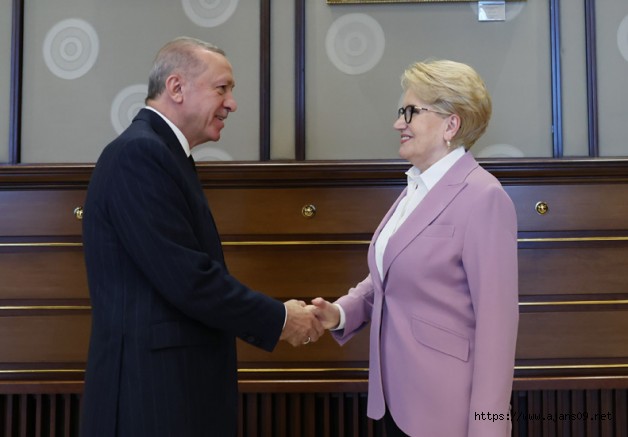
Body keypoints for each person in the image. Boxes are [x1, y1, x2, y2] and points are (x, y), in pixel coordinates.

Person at [79, 37, 323, 437]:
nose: (232, 104)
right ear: (176, 88)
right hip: (151, 397)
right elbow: (188, 278)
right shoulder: (140, 155)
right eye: (222, 88)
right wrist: (279, 319)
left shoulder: (160, 153)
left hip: (168, 391)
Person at [310, 59, 519, 437]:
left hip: (447, 412)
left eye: (410, 112)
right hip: (395, 402)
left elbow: (498, 329)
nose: (398, 123)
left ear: (450, 125)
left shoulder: (484, 196)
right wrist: (340, 313)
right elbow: (390, 276)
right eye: (400, 112)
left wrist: (488, 430)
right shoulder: (417, 188)